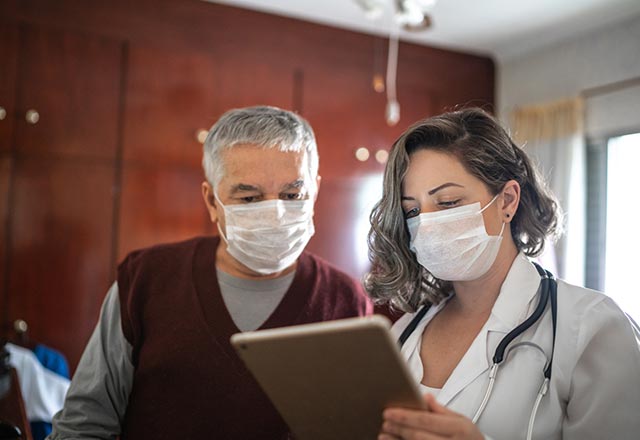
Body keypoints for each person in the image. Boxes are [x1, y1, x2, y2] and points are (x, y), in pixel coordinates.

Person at [48, 106, 372, 439]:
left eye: (292, 195)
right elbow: (85, 422)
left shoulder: (346, 302)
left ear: (314, 191)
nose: (275, 213)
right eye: (249, 198)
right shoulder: (146, 280)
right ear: (212, 202)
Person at [366, 108, 640, 440]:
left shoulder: (591, 327)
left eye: (448, 202)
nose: (427, 223)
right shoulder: (405, 333)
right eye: (412, 210)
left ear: (507, 201)